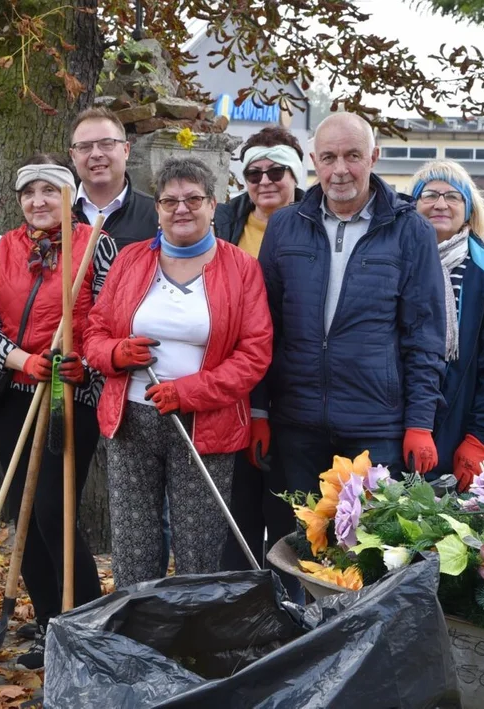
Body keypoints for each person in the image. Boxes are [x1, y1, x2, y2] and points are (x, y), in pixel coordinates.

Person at [257, 113, 447, 599]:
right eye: (329, 157)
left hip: (374, 424)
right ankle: (294, 648)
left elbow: (424, 334)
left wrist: (420, 421)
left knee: (367, 554)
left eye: (352, 156)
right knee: (297, 552)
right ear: (313, 161)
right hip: (296, 420)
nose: (340, 169)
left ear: (373, 158)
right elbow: (262, 325)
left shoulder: (410, 232)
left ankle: (360, 654)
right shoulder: (284, 227)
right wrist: (258, 409)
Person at [87, 157, 272, 588]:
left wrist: (188, 393)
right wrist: (116, 352)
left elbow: (254, 354)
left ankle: (192, 640)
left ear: (213, 205)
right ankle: (136, 637)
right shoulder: (132, 261)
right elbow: (94, 333)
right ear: (158, 210)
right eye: (169, 201)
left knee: (200, 548)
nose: (181, 209)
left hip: (207, 424)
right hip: (130, 419)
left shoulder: (241, 268)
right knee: (135, 545)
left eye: (193, 199)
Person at [0, 154, 117, 670]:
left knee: (57, 512)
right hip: (15, 391)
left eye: (49, 192)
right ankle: (46, 624)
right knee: (25, 515)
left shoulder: (96, 244)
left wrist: (87, 368)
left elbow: (107, 318)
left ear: (68, 198)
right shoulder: (3, 250)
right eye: (29, 192)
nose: (38, 202)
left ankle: (85, 624)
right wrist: (22, 359)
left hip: (69, 394)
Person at [211, 127, 306, 573]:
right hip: (233, 378)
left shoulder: (317, 221)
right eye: (254, 173)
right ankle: (238, 604)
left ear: (297, 173)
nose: (265, 180)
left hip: (293, 377)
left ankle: (287, 603)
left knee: (285, 505)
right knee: (236, 504)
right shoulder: (224, 222)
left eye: (277, 171)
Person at [409, 160, 484, 491]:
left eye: (453, 196)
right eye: (429, 194)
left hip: (463, 435)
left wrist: (480, 438)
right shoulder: (397, 266)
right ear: (412, 205)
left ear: (468, 209)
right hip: (398, 436)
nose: (441, 204)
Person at [69, 107, 158, 250]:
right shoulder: (57, 214)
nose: (96, 154)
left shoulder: (156, 214)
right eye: (85, 147)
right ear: (73, 156)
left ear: (126, 150)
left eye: (107, 144)